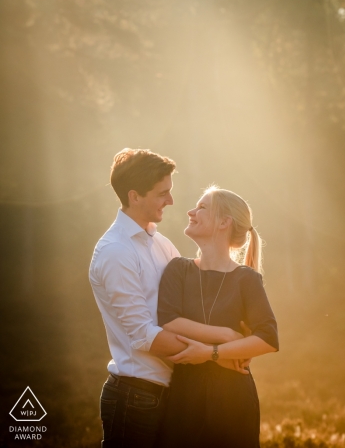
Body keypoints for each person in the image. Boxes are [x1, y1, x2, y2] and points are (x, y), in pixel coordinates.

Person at [89, 149, 249, 448]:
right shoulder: (116, 252)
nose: (172, 201)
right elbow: (144, 336)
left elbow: (191, 308)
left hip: (173, 393)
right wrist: (218, 356)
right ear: (134, 196)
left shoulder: (162, 245)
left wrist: (235, 329)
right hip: (135, 396)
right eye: (163, 193)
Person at [155, 186, 279, 448]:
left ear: (224, 222)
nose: (191, 212)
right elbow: (168, 320)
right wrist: (225, 336)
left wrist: (210, 353)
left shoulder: (247, 279)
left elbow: (268, 338)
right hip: (184, 399)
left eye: (202, 208)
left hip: (234, 401)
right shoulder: (179, 269)